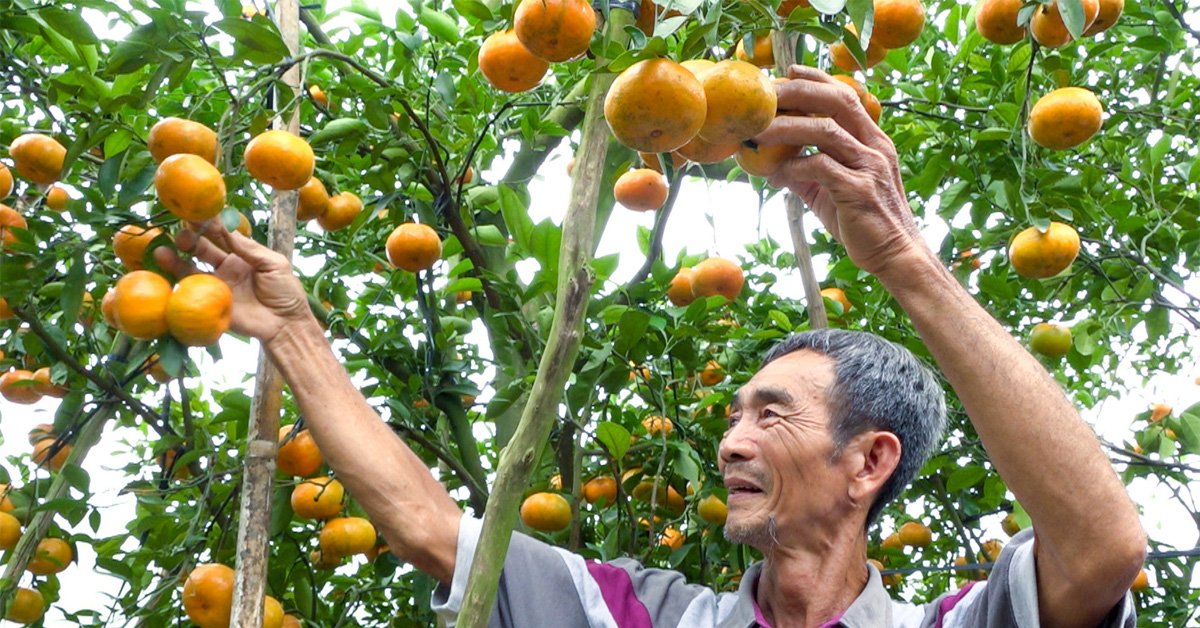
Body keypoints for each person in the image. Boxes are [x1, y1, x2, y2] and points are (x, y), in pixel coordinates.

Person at [158, 65, 1146, 627]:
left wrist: (902, 260)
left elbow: (1103, 547)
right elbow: (430, 527)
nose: (731, 440)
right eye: (732, 413)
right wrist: (294, 332)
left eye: (772, 412)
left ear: (869, 459)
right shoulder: (646, 615)